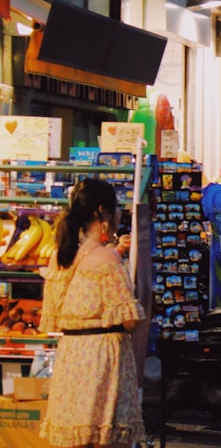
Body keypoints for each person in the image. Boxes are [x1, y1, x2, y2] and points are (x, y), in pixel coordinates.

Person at [38, 178, 145, 447]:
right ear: (102, 213)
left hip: (71, 357)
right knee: (103, 436)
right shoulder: (108, 260)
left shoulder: (58, 258)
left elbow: (53, 315)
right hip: (102, 359)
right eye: (116, 207)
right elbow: (130, 320)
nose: (119, 213)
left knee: (77, 437)